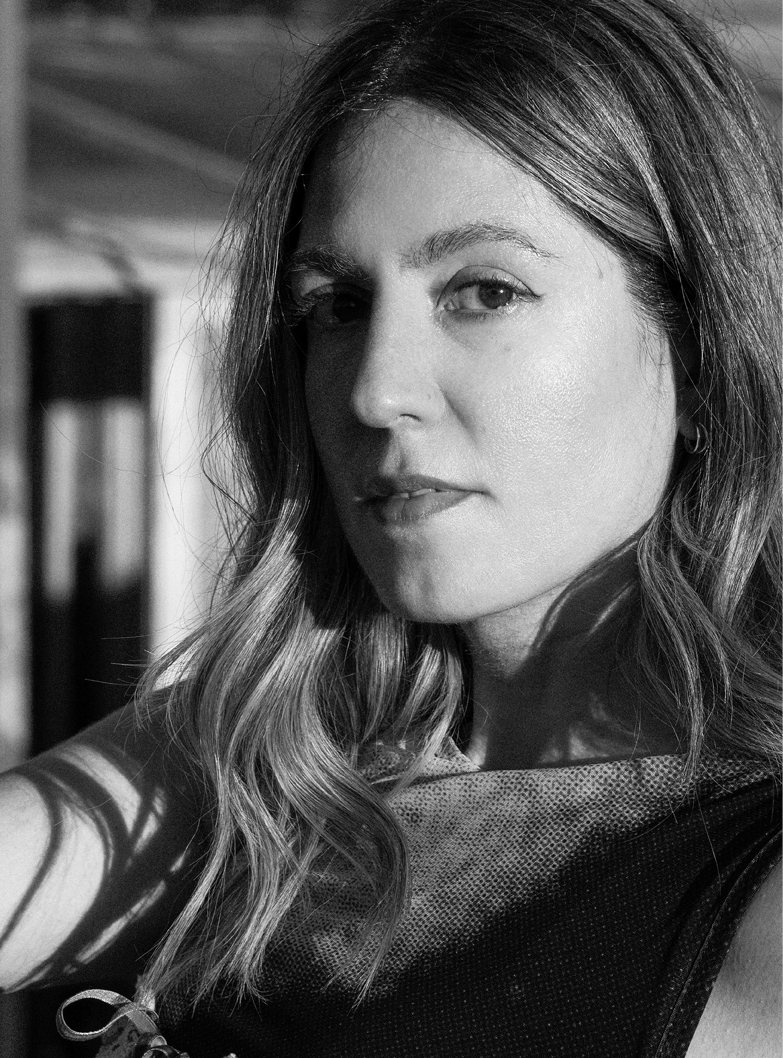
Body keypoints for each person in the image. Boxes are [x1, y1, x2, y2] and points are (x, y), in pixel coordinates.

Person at [1, 0, 780, 1055]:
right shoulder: (270, 770)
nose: (375, 389)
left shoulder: (747, 878)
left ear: (700, 350)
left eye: (484, 291)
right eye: (337, 305)